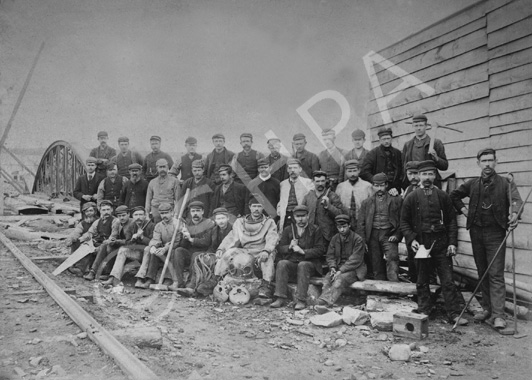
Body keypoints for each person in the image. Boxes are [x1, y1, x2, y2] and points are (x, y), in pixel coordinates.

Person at [450, 148, 523, 329]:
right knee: (482, 272)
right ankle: (488, 309)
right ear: (478, 163)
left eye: (491, 160)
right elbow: (454, 196)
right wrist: (465, 211)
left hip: (496, 233)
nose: (488, 164)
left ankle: (499, 315)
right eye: (484, 161)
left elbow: (516, 201)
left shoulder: (506, 183)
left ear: (496, 162)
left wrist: (514, 215)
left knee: (495, 274)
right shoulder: (472, 184)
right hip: (476, 232)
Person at [400, 160, 468, 325]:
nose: (427, 177)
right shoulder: (412, 197)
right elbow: (404, 222)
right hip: (422, 243)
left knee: (447, 279)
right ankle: (424, 310)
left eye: (431, 174)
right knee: (422, 279)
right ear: (419, 176)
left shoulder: (443, 196)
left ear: (435, 175)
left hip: (441, 243)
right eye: (424, 174)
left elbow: (452, 221)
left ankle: (454, 313)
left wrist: (452, 243)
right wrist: (412, 239)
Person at [215, 195, 279, 298]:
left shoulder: (269, 222)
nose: (256, 209)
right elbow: (232, 237)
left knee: (268, 258)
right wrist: (221, 248)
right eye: (254, 206)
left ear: (263, 208)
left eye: (259, 206)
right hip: (246, 250)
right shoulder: (240, 221)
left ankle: (266, 286)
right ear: (250, 207)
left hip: (261, 250)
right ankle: (218, 279)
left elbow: (272, 237)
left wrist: (266, 250)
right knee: (228, 253)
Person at [271, 205, 326, 310]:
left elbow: (320, 249)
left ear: (308, 216)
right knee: (282, 263)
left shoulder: (315, 229)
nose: (300, 219)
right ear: (294, 217)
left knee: (303, 264)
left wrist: (303, 251)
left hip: (310, 264)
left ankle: (301, 300)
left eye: (303, 216)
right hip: (293, 263)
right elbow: (280, 248)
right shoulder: (288, 230)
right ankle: (280, 297)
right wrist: (289, 247)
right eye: (297, 216)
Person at [178, 207, 234, 297]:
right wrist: (207, 255)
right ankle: (192, 286)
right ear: (215, 220)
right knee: (199, 258)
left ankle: (200, 288)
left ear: (228, 218)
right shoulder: (214, 230)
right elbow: (210, 245)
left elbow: (236, 245)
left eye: (223, 218)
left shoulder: (233, 229)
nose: (221, 221)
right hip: (216, 255)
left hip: (229, 257)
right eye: (218, 219)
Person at [316, 214, 367, 310]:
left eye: (344, 227)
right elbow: (330, 255)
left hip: (354, 270)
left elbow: (355, 259)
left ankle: (326, 303)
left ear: (349, 225)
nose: (342, 230)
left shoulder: (358, 239)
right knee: (327, 279)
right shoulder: (335, 239)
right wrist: (332, 267)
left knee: (339, 280)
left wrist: (340, 271)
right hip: (338, 269)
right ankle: (323, 301)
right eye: (339, 227)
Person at [358, 173, 402, 282]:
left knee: (392, 257)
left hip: (388, 234)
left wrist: (397, 235)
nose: (379, 189)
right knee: (376, 262)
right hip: (372, 234)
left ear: (386, 185)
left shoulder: (396, 200)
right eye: (376, 186)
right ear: (372, 186)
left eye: (382, 185)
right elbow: (361, 223)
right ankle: (380, 289)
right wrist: (363, 241)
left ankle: (394, 287)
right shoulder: (366, 203)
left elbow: (402, 220)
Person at [101, 206, 156, 287]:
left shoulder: (151, 225)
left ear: (145, 216)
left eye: (141, 215)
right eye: (136, 215)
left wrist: (142, 237)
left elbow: (153, 243)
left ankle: (140, 279)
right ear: (132, 216)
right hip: (136, 253)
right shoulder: (132, 225)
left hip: (147, 254)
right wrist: (132, 240)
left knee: (148, 249)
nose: (138, 217)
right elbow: (127, 243)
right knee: (123, 249)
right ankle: (114, 277)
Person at [135, 203, 180, 289]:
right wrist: (153, 246)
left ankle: (168, 279)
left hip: (173, 248)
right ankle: (150, 278)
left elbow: (177, 241)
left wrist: (165, 248)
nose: (164, 215)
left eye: (166, 213)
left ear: (171, 212)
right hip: (163, 248)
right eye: (162, 213)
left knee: (174, 251)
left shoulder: (177, 224)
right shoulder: (159, 225)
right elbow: (156, 239)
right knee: (152, 250)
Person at [173, 201, 215, 291]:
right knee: (178, 251)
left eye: (198, 211)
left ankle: (191, 283)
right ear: (190, 212)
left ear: (202, 212)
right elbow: (183, 245)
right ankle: (179, 283)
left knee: (195, 255)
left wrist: (191, 239)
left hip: (205, 254)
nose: (195, 213)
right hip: (191, 253)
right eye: (193, 211)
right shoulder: (187, 224)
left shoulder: (209, 223)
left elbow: (206, 242)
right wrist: (184, 236)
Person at [84, 204, 133, 281]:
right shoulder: (118, 222)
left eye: (123, 215)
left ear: (129, 214)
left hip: (131, 247)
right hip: (120, 245)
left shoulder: (132, 223)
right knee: (105, 245)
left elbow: (130, 241)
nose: (121, 218)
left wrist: (116, 241)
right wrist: (111, 241)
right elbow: (114, 234)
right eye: (119, 216)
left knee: (109, 247)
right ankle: (93, 272)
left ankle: (105, 273)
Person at [403, 114, 448, 189]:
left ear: (426, 126)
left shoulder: (436, 143)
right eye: (416, 126)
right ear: (412, 126)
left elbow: (445, 166)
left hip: (430, 183)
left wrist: (436, 158)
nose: (418, 128)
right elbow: (404, 167)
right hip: (413, 183)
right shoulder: (407, 145)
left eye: (421, 125)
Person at [302, 170, 346, 247]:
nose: (320, 184)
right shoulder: (308, 196)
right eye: (317, 181)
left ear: (326, 181)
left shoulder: (333, 196)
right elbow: (302, 213)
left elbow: (340, 215)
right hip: (311, 234)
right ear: (313, 182)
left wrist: (329, 206)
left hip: (327, 235)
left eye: (322, 181)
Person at [77, 200, 116, 278]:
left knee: (102, 247)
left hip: (112, 245)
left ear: (112, 210)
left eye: (108, 209)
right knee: (86, 244)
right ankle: (81, 268)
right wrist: (85, 238)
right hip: (102, 243)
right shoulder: (98, 222)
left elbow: (113, 237)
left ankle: (93, 272)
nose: (106, 212)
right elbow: (90, 232)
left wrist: (98, 247)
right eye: (104, 210)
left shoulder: (115, 221)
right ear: (100, 211)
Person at [360, 127, 403, 195]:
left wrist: (397, 186)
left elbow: (401, 172)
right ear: (379, 140)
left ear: (391, 139)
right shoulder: (372, 154)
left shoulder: (397, 153)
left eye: (388, 138)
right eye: (384, 139)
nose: (386, 141)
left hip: (395, 189)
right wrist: (377, 182)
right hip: (379, 189)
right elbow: (365, 172)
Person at [277, 158, 314, 232]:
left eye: (295, 168)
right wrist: (279, 209)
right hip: (286, 215)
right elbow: (281, 200)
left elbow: (311, 202)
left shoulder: (307, 183)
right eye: (290, 168)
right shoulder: (283, 184)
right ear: (287, 170)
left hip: (301, 215)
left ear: (300, 169)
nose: (292, 170)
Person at [335, 159, 373, 230]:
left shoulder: (367, 186)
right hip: (345, 223)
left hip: (362, 222)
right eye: (349, 171)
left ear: (359, 170)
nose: (352, 174)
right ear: (346, 172)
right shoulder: (340, 187)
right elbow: (337, 206)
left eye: (355, 171)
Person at [64, 202, 98, 276]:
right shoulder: (83, 223)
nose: (89, 213)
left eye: (91, 211)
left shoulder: (98, 221)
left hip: (95, 241)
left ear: (95, 211)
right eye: (87, 211)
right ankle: (73, 264)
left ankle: (81, 269)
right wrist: (71, 239)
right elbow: (76, 232)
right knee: (75, 242)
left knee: (86, 246)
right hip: (85, 240)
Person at [145, 158, 181, 223]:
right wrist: (147, 215)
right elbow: (148, 200)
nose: (162, 169)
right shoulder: (152, 182)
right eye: (160, 167)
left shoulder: (174, 181)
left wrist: (176, 214)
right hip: (156, 211)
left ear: (168, 168)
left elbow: (178, 200)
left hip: (169, 210)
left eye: (164, 167)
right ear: (157, 168)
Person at [402, 161, 421, 282]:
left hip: (422, 230)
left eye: (415, 173)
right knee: (412, 260)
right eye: (410, 174)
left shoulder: (425, 188)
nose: (413, 177)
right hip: (410, 231)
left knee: (423, 262)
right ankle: (414, 290)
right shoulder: (408, 189)